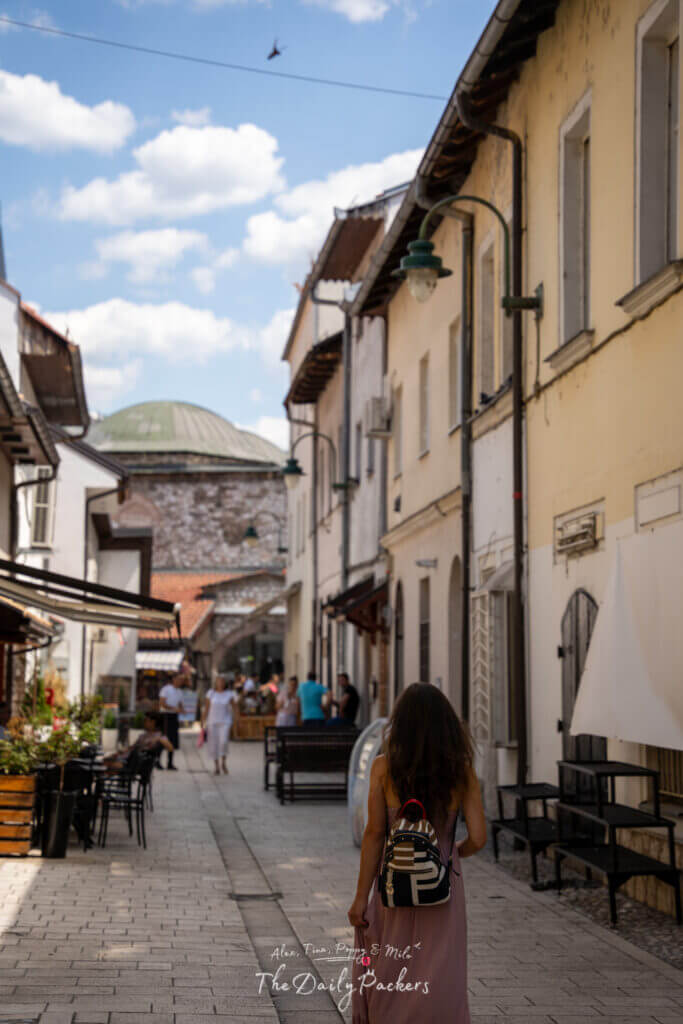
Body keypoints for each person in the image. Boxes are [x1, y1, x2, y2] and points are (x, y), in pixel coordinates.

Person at [348, 682, 486, 1024]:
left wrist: (359, 897)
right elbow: (480, 837)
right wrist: (452, 852)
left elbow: (375, 833)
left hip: (393, 882)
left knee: (391, 962)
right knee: (441, 966)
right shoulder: (462, 772)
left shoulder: (383, 768)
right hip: (441, 884)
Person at [103, 711, 172, 771]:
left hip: (133, 764)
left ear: (153, 722)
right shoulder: (144, 735)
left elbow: (170, 748)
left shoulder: (158, 735)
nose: (144, 722)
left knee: (106, 763)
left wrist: (158, 739)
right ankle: (102, 780)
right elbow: (132, 747)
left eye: (146, 720)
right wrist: (120, 752)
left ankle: (101, 781)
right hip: (128, 759)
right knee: (106, 761)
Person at [202, 674, 237, 775]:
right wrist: (202, 720)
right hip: (212, 721)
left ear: (225, 683)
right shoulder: (211, 693)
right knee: (213, 744)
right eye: (218, 681)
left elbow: (235, 707)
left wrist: (237, 721)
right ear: (215, 682)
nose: (220, 683)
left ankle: (224, 762)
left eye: (222, 681)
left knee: (223, 742)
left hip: (225, 721)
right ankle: (216, 766)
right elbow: (207, 707)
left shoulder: (229, 694)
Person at [159, 673, 186, 770]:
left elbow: (180, 704)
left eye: (182, 680)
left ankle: (170, 762)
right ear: (173, 679)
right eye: (179, 679)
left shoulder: (179, 692)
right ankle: (157, 761)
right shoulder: (166, 689)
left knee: (173, 740)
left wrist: (182, 710)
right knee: (164, 738)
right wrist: (174, 708)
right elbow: (162, 703)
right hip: (166, 716)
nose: (180, 682)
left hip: (174, 717)